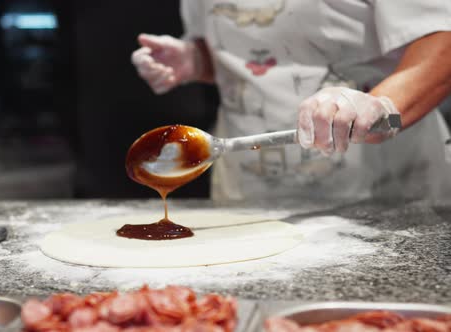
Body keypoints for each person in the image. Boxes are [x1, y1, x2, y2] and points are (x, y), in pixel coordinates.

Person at [132, 0, 451, 201]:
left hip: (383, 190)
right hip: (249, 190)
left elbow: (443, 39)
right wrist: (198, 61)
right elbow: (250, 53)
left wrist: (383, 106)